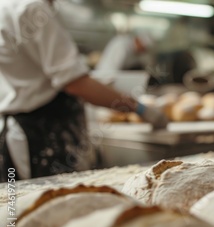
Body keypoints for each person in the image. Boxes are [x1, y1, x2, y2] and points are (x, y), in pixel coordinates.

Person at [0, 0, 168, 182]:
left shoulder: (10, 6)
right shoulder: (32, 8)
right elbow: (76, 84)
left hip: (27, 129)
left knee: (26, 203)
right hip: (41, 134)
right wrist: (140, 109)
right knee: (53, 203)